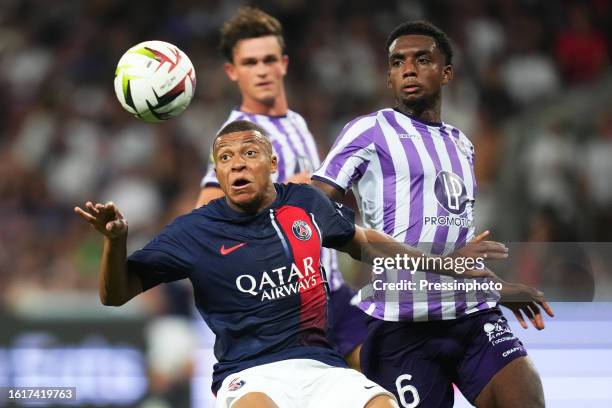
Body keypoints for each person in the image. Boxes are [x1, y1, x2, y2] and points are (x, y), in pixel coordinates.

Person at [75, 120, 508, 408]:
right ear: (218, 174)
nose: (237, 163)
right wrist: (117, 242)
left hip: (322, 366)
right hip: (250, 374)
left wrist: (444, 265)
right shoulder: (195, 231)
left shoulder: (303, 202)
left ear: (272, 163)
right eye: (225, 158)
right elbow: (115, 295)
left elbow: (364, 244)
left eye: (249, 153)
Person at [312, 21, 554, 408]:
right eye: (397, 62)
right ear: (389, 77)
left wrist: (498, 289)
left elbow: (459, 250)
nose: (408, 68)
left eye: (422, 59)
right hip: (401, 327)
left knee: (526, 396)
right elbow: (314, 206)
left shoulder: (462, 144)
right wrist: (360, 243)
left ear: (446, 73)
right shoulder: (369, 131)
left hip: (471, 317)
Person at [195, 7, 366, 369]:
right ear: (232, 71)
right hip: (291, 307)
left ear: (284, 63)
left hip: (333, 291)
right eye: (250, 62)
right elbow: (205, 215)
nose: (261, 70)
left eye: (269, 59)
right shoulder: (237, 136)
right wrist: (284, 191)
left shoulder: (296, 123)